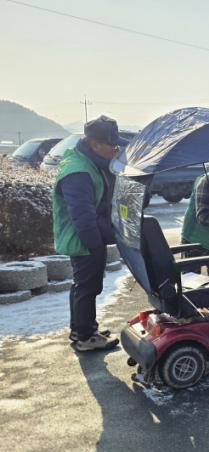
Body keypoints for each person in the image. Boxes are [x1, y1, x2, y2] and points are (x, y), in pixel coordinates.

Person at [52, 115, 128, 352]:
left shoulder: (90, 162)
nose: (115, 149)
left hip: (88, 236)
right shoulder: (78, 171)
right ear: (95, 144)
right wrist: (96, 244)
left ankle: (83, 329)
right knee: (87, 287)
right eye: (112, 145)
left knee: (83, 286)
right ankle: (85, 337)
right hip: (83, 239)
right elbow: (83, 217)